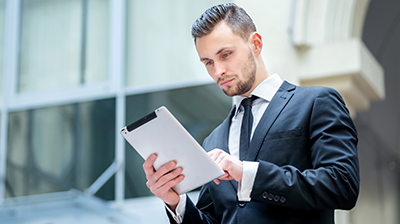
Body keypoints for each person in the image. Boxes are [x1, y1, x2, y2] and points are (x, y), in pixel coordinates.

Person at [142, 3, 359, 224]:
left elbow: (342, 185)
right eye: (208, 62)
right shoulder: (212, 141)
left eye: (225, 54)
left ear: (255, 44)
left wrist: (248, 174)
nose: (218, 71)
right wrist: (176, 203)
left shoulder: (315, 103)